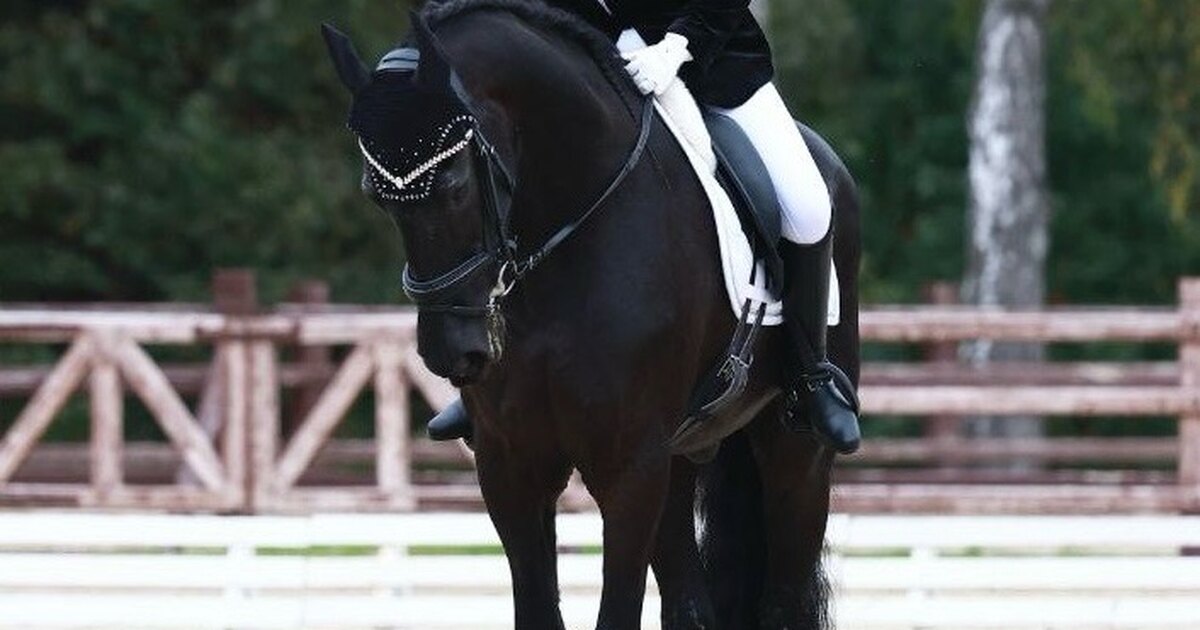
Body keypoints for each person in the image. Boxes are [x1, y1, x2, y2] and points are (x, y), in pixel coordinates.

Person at [426, 0, 861, 454]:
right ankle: (488, 382)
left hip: (711, 62)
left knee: (808, 207)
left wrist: (678, 46)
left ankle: (808, 373)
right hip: (590, 70)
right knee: (512, 187)